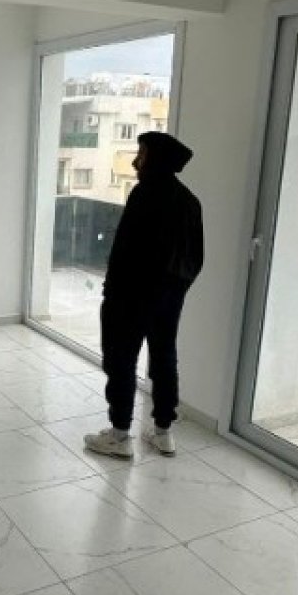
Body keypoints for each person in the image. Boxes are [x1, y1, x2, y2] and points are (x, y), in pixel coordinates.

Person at [83, 131, 203, 459]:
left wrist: (112, 291)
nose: (137, 162)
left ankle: (120, 436)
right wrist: (175, 290)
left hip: (130, 297)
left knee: (121, 361)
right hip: (168, 299)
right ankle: (163, 433)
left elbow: (125, 250)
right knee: (164, 359)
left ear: (156, 159)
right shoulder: (189, 200)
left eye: (142, 154)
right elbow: (195, 258)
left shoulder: (144, 194)